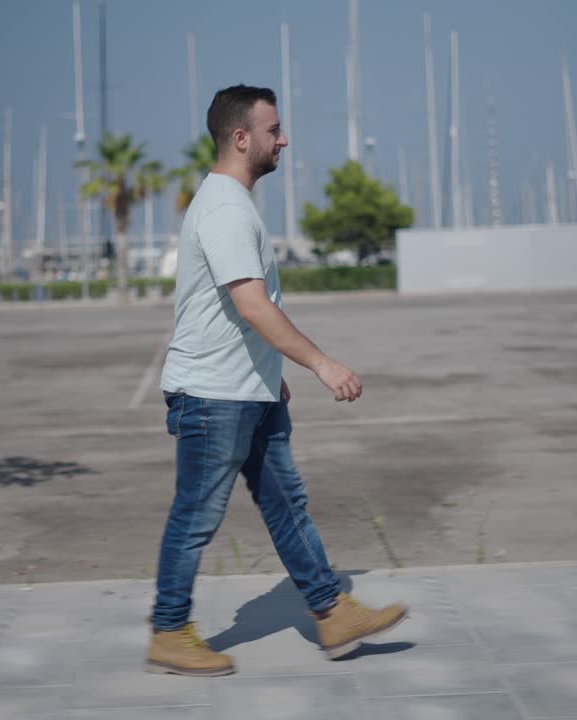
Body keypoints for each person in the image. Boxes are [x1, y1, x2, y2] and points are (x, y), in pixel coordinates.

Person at [146, 85, 407, 677]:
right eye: (274, 129)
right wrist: (321, 364)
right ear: (242, 138)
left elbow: (238, 313)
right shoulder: (226, 208)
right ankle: (168, 631)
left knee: (287, 504)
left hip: (247, 391)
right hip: (213, 396)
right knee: (196, 517)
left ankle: (331, 611)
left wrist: (269, 373)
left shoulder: (231, 203)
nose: (283, 139)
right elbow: (253, 306)